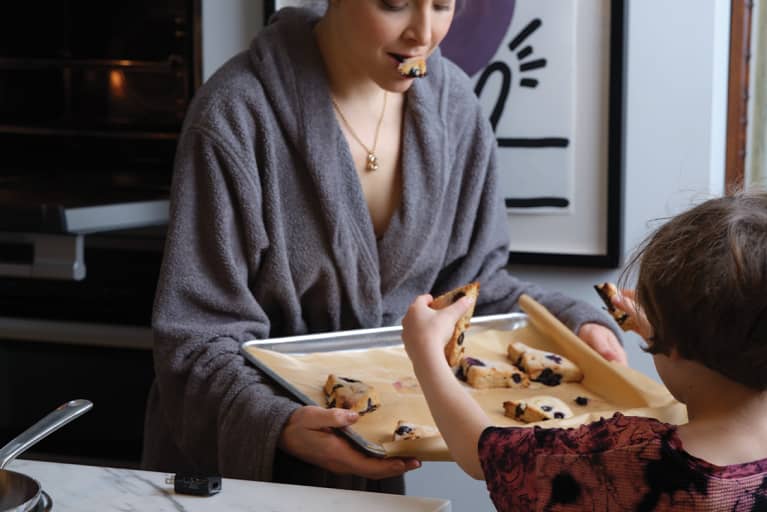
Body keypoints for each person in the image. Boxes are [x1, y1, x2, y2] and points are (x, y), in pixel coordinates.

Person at [141, 0, 625, 494]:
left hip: (369, 451)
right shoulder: (237, 115)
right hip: (232, 476)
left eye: (442, 5)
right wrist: (280, 424)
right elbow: (196, 340)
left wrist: (571, 324)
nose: (424, 33)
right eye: (394, 3)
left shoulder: (454, 106)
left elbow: (470, 288)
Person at [402, 190, 767, 510]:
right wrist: (665, 328)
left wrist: (427, 355)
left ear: (674, 345)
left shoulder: (627, 460)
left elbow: (480, 451)